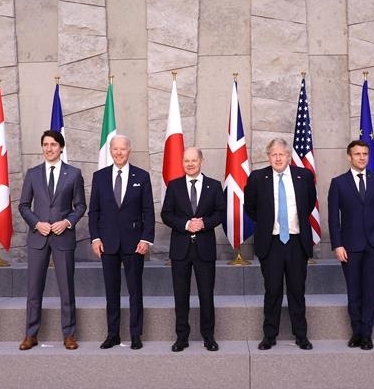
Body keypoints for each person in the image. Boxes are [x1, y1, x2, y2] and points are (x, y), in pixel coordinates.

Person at [244, 138, 317, 350]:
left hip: (296, 242)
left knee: (297, 291)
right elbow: (250, 207)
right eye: (273, 154)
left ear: (288, 156)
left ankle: (301, 336)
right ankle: (269, 336)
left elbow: (309, 203)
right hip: (272, 243)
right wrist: (267, 222)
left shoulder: (304, 176)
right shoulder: (258, 178)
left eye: (281, 154)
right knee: (272, 290)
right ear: (268, 157)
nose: (278, 158)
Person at [18, 130, 86, 351]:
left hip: (63, 237)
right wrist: (36, 223)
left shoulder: (74, 174)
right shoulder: (32, 174)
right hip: (38, 237)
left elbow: (80, 206)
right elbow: (24, 206)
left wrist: (67, 222)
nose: (49, 148)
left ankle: (69, 335)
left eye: (53, 144)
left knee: (67, 288)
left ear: (61, 147)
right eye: (45, 144)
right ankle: (31, 334)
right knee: (33, 289)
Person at [88, 135, 155, 350]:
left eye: (123, 149)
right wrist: (95, 238)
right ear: (110, 151)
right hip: (107, 243)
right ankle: (113, 334)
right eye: (115, 149)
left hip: (134, 243)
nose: (119, 153)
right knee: (111, 292)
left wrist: (146, 239)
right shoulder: (99, 177)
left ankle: (136, 335)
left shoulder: (142, 176)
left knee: (135, 291)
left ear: (129, 151)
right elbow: (94, 211)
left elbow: (148, 211)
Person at [327, 140, 374, 350]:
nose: (362, 157)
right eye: (357, 154)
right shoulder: (338, 183)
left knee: (371, 290)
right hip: (350, 246)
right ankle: (356, 331)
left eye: (365, 154)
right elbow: (333, 219)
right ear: (349, 157)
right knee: (354, 290)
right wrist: (338, 245)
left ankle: (367, 333)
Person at [161, 147, 226, 352]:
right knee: (181, 296)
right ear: (182, 162)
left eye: (193, 160)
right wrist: (187, 224)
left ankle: (209, 337)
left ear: (201, 161)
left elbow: (221, 213)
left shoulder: (214, 186)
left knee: (206, 295)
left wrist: (204, 223)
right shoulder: (174, 186)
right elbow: (166, 214)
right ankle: (182, 337)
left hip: (204, 249)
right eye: (186, 161)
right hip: (180, 250)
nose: (190, 164)